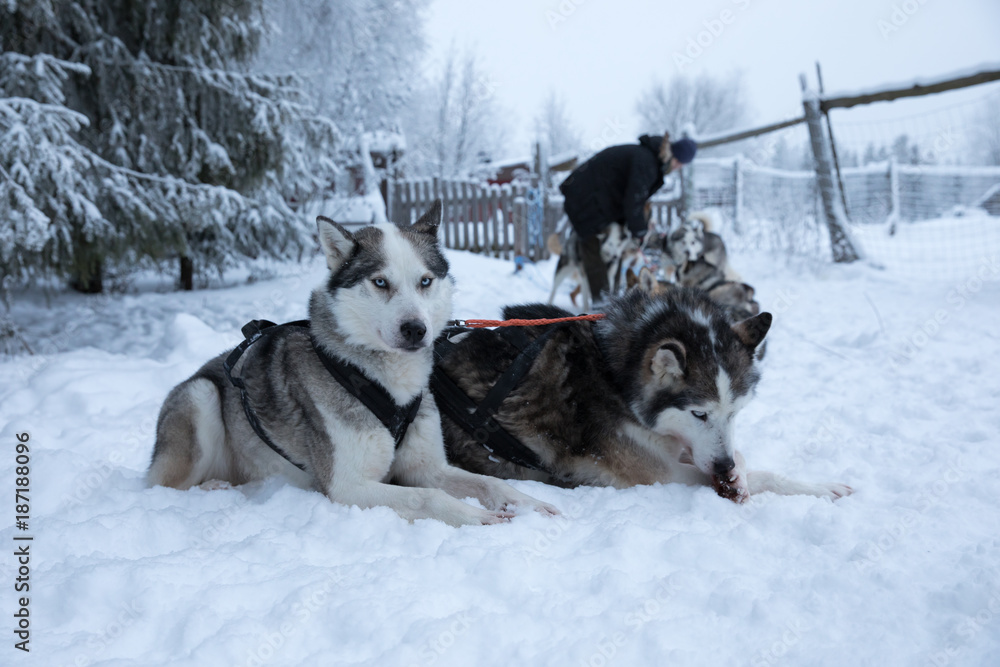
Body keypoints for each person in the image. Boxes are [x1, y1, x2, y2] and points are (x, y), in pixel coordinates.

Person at [559, 132, 697, 302]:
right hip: (582, 199)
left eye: (681, 164)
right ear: (671, 154)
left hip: (593, 200)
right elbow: (634, 200)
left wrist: (633, 227)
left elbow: (626, 195)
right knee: (594, 249)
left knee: (613, 253)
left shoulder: (649, 159)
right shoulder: (646, 162)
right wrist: (639, 231)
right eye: (678, 162)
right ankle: (600, 303)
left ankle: (611, 296)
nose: (677, 167)